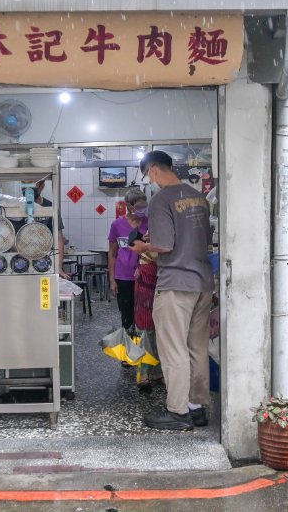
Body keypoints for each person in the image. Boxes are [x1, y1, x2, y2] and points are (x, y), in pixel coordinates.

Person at [129, 150, 214, 431]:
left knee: (173, 349)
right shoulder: (199, 197)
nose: (149, 181)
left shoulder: (161, 200)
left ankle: (177, 412)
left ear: (153, 170)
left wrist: (142, 247)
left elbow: (164, 246)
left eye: (146, 175)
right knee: (197, 348)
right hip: (202, 282)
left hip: (176, 285)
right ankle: (197, 407)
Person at [108, 189, 149, 336]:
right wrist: (112, 280)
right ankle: (129, 350)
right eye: (139, 207)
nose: (143, 210)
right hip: (123, 276)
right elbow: (112, 253)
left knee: (145, 313)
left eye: (145, 205)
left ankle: (145, 349)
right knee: (126, 314)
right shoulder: (117, 225)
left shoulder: (149, 223)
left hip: (145, 276)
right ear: (129, 206)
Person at [134, 237, 163, 392]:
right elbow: (161, 256)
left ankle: (158, 371)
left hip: (160, 286)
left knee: (161, 332)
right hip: (147, 288)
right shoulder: (156, 227)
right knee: (145, 331)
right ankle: (144, 373)